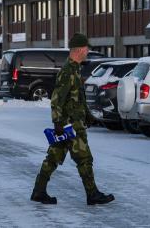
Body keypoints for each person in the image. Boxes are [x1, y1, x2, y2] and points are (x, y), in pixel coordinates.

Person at [31, 33, 115, 207]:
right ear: (79, 50)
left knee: (53, 158)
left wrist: (88, 115)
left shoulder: (75, 69)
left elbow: (77, 98)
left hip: (71, 123)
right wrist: (58, 123)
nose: (88, 51)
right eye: (86, 48)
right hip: (69, 126)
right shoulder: (68, 72)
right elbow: (57, 99)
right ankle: (92, 195)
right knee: (84, 159)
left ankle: (38, 192)